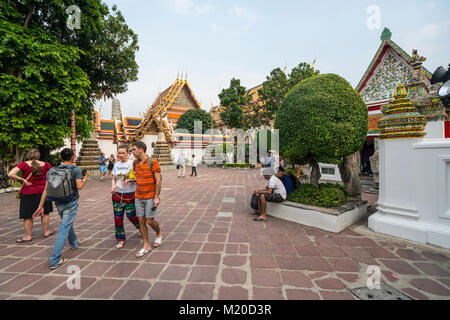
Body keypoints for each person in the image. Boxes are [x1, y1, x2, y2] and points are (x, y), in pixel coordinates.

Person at [34, 148, 87, 270]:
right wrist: (84, 179)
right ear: (73, 157)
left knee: (66, 222)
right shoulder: (76, 169)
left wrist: (40, 205)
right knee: (64, 227)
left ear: (60, 157)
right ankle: (55, 259)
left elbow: (46, 189)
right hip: (70, 201)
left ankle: (74, 242)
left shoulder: (52, 170)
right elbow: (79, 186)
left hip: (57, 201)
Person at [8, 148, 54, 243]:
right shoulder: (46, 164)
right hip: (44, 192)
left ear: (28, 155)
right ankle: (46, 231)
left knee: (27, 216)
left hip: (28, 192)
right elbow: (53, 175)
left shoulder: (23, 164)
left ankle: (27, 236)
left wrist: (23, 180)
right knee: (45, 213)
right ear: (38, 155)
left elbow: (10, 174)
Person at [131, 141, 162, 258]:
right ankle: (146, 245)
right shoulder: (135, 163)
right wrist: (130, 181)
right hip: (138, 196)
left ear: (141, 150)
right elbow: (139, 178)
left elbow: (158, 180)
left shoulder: (153, 162)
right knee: (141, 220)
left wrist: (157, 197)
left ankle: (158, 233)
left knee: (149, 220)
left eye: (133, 149)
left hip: (150, 196)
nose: (132, 152)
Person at [111, 145, 141, 249]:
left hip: (130, 194)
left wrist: (129, 180)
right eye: (119, 153)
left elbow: (138, 178)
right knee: (118, 217)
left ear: (128, 153)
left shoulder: (133, 163)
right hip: (117, 194)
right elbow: (114, 178)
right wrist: (113, 186)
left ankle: (141, 228)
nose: (121, 155)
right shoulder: (116, 165)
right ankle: (120, 239)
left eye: (123, 153)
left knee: (131, 215)